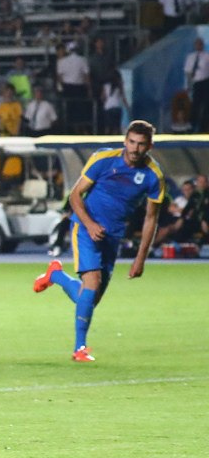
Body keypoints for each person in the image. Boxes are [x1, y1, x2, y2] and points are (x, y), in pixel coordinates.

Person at [32, 121, 164, 362]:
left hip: (112, 237)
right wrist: (90, 224)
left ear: (149, 146)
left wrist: (140, 259)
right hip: (85, 227)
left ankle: (56, 275)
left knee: (90, 298)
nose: (135, 148)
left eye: (141, 144)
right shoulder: (103, 160)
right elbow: (75, 195)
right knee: (92, 283)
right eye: (131, 142)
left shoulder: (153, 176)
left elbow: (151, 219)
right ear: (125, 140)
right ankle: (79, 348)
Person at [184, 37, 209, 133]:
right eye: (197, 44)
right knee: (195, 105)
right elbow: (188, 72)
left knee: (206, 105)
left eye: (200, 44)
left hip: (205, 82)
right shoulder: (190, 57)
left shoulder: (207, 56)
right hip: (196, 83)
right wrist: (188, 85)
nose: (199, 46)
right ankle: (191, 125)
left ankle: (203, 127)